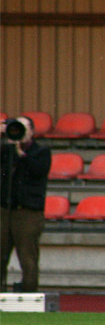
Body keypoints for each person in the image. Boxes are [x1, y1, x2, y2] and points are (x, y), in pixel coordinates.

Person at [1, 116, 51, 293]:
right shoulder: (4, 150)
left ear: (31, 131)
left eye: (23, 128)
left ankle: (29, 295)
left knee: (27, 257)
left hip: (27, 212)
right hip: (5, 210)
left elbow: (38, 170)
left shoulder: (41, 152)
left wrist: (20, 153)